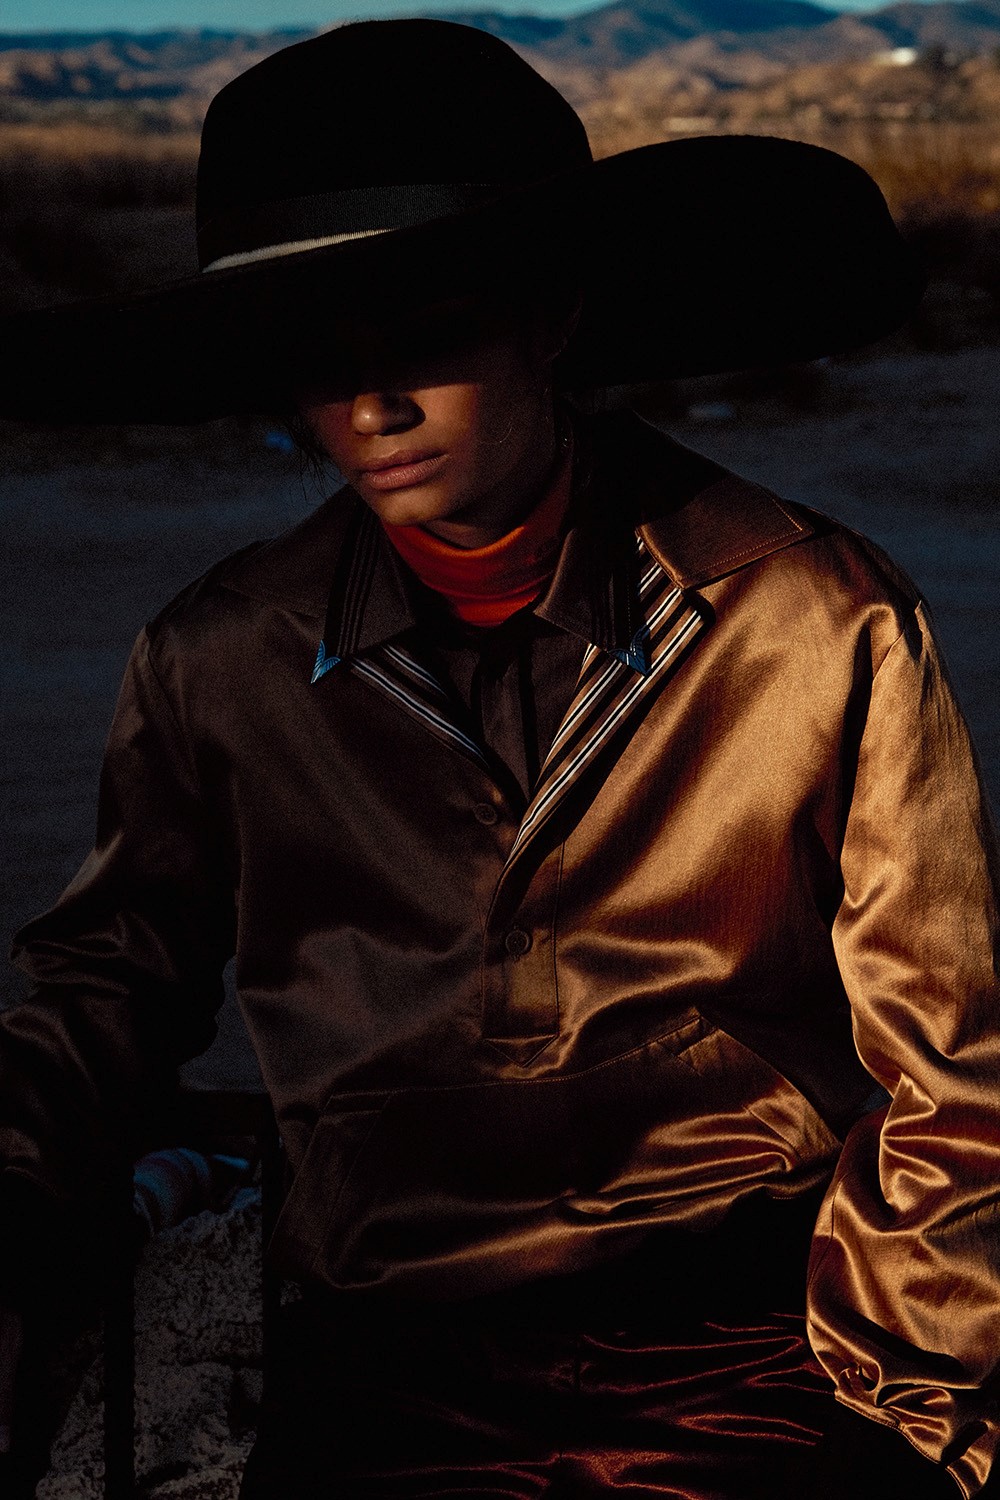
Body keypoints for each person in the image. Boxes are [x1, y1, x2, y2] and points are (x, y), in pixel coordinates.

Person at [0, 17, 997, 1499]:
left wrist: (906, 1404)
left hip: (750, 1355)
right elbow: (106, 987)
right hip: (385, 1369)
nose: (370, 407)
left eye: (425, 333)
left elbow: (958, 1063)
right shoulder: (220, 660)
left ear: (551, 317)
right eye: (318, 356)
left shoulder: (811, 616)